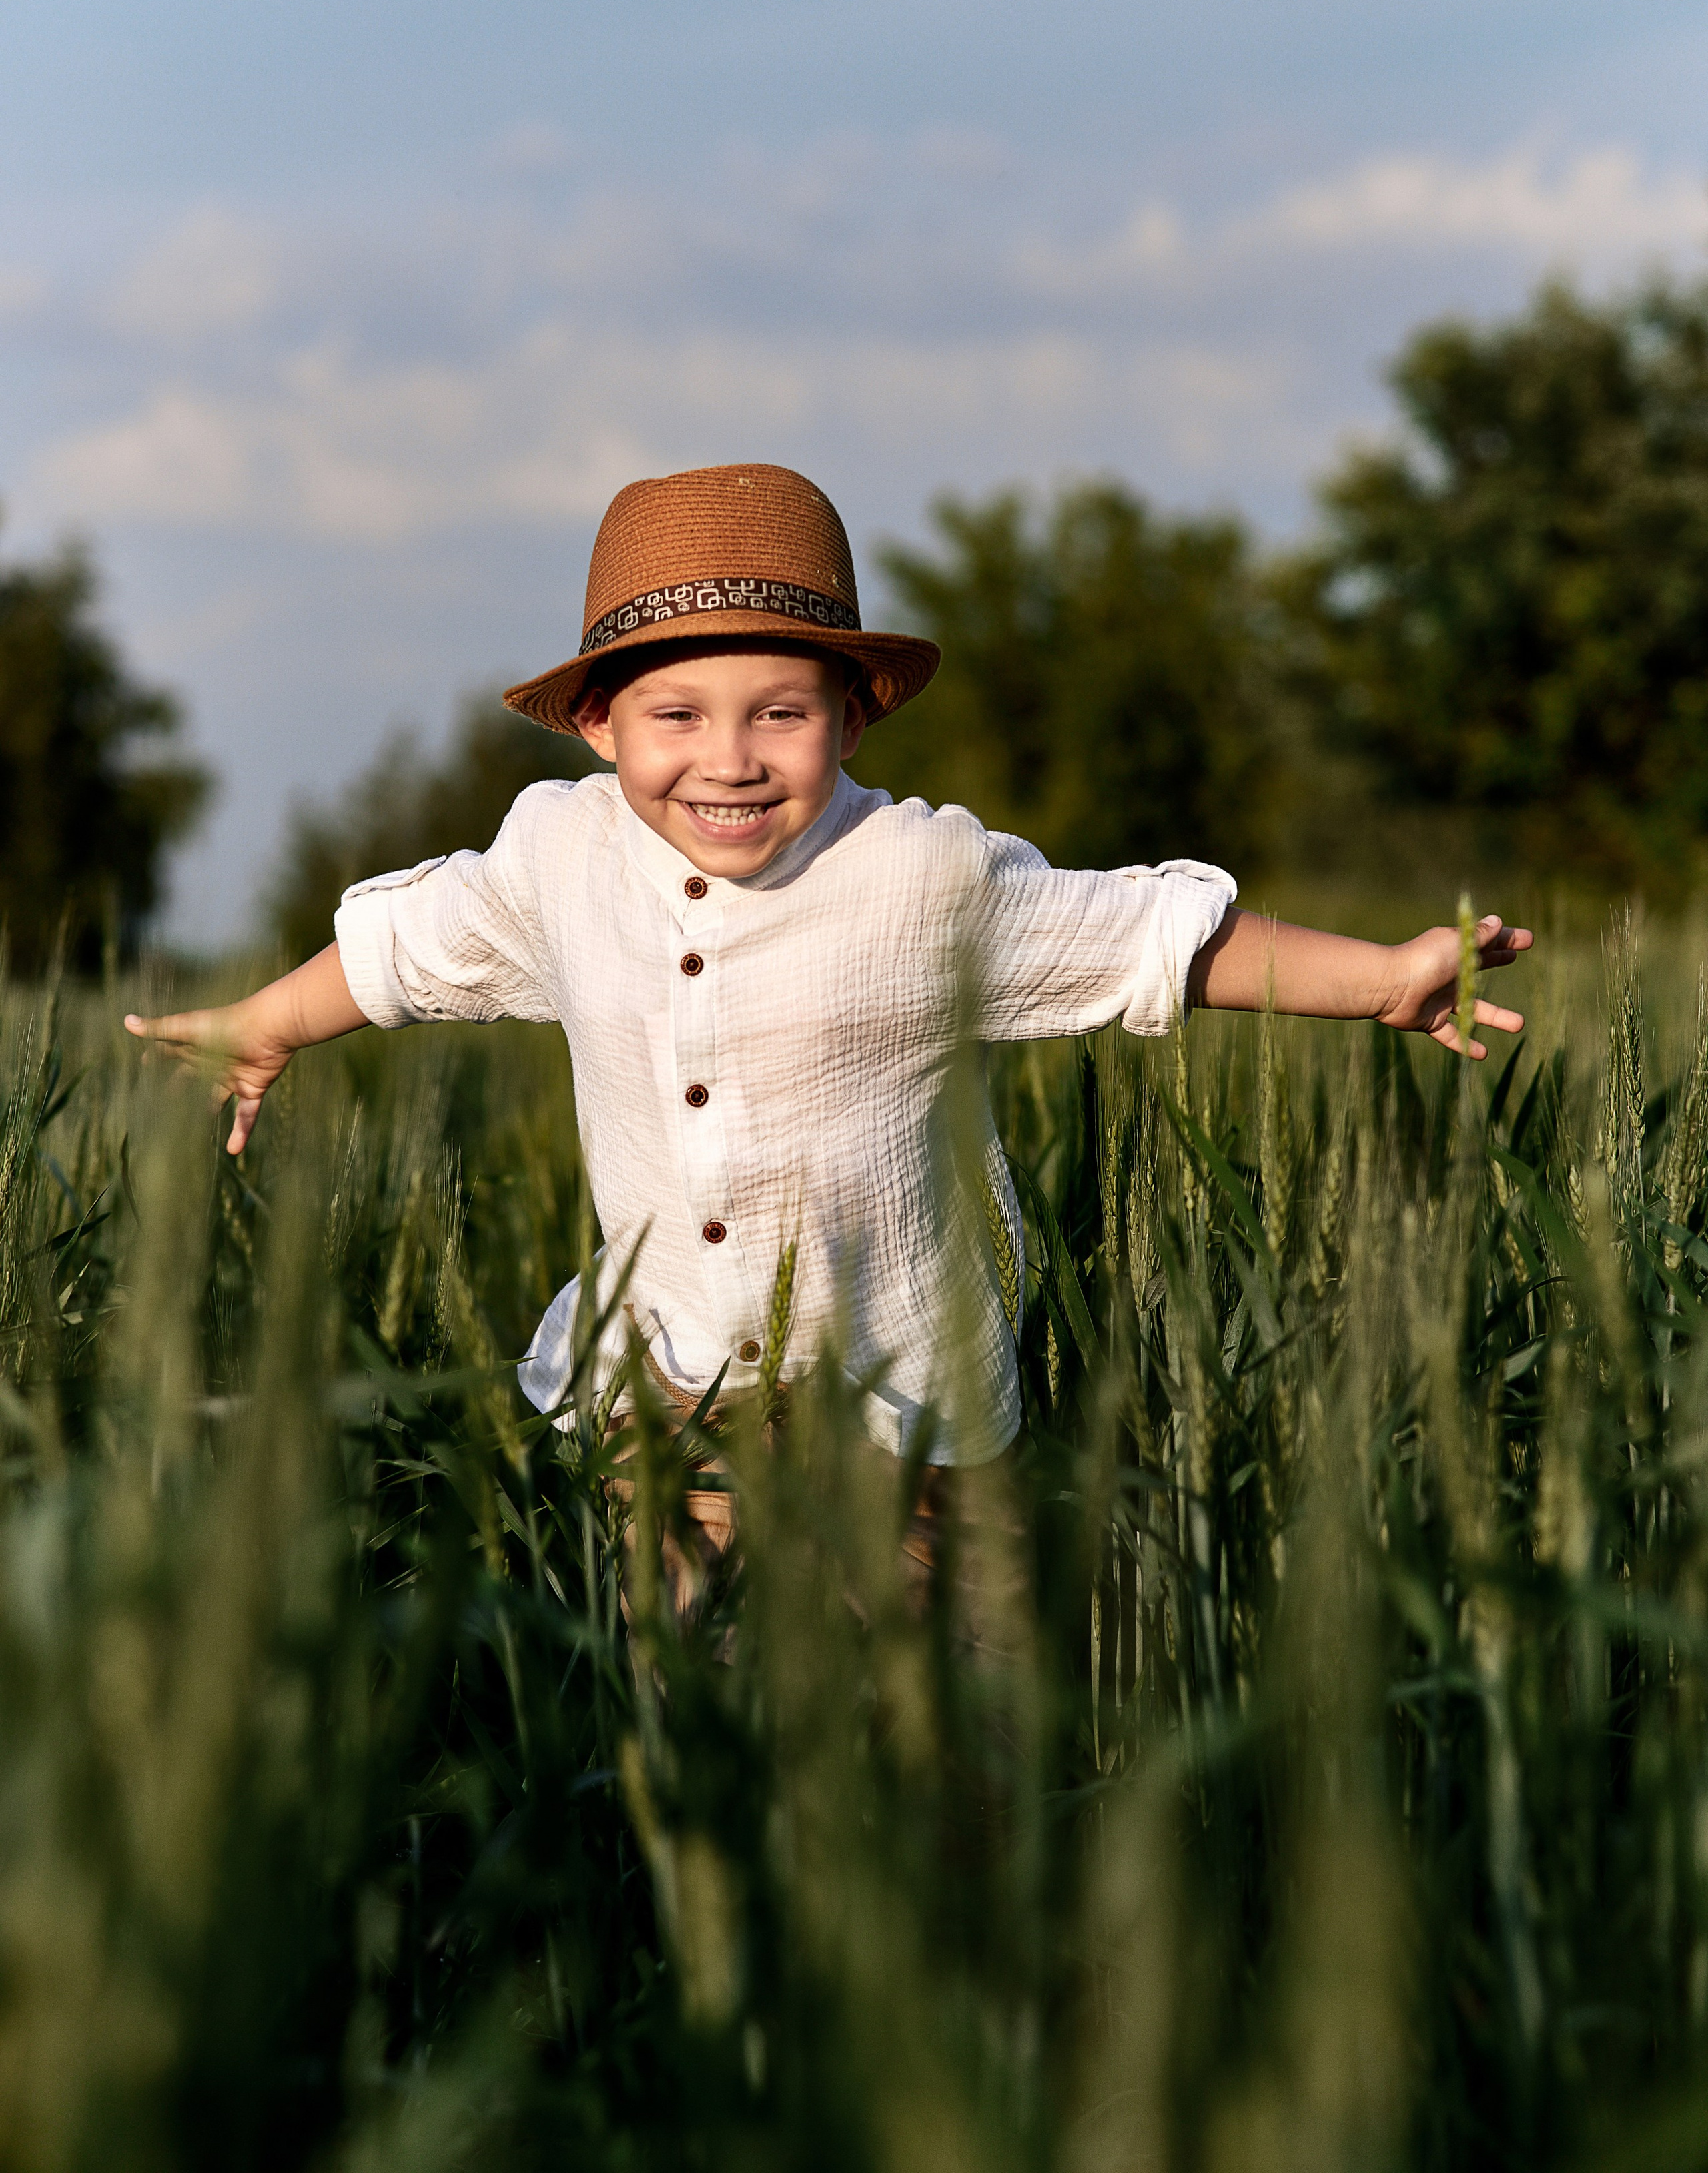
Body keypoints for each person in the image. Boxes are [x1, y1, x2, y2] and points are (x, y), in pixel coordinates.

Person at [125, 461, 1531, 1621]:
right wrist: (267, 1024)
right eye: (675, 714)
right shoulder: (557, 853)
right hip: (663, 1368)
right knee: (675, 1655)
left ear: (853, 714)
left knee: (919, 1679)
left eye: (778, 714)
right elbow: (410, 947)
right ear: (600, 724)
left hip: (893, 1388)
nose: (727, 759)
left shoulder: (922, 882)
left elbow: (1150, 936)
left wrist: (1384, 981)